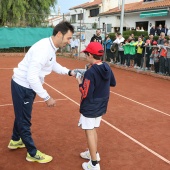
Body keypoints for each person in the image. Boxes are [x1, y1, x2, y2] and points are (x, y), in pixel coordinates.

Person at [8, 21, 75, 163]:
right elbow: (31, 77)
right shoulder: (43, 49)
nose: (70, 41)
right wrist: (46, 97)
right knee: (24, 120)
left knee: (21, 115)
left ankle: (15, 140)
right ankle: (32, 153)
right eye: (68, 38)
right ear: (59, 34)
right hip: (23, 86)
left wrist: (69, 72)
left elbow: (52, 64)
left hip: (26, 87)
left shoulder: (51, 47)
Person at [76, 42, 116, 170]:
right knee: (93, 129)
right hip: (102, 103)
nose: (85, 56)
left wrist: (79, 82)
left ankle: (93, 164)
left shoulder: (90, 72)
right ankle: (93, 153)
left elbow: (85, 92)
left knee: (89, 131)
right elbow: (113, 83)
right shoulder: (106, 66)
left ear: (90, 55)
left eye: (86, 54)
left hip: (90, 105)